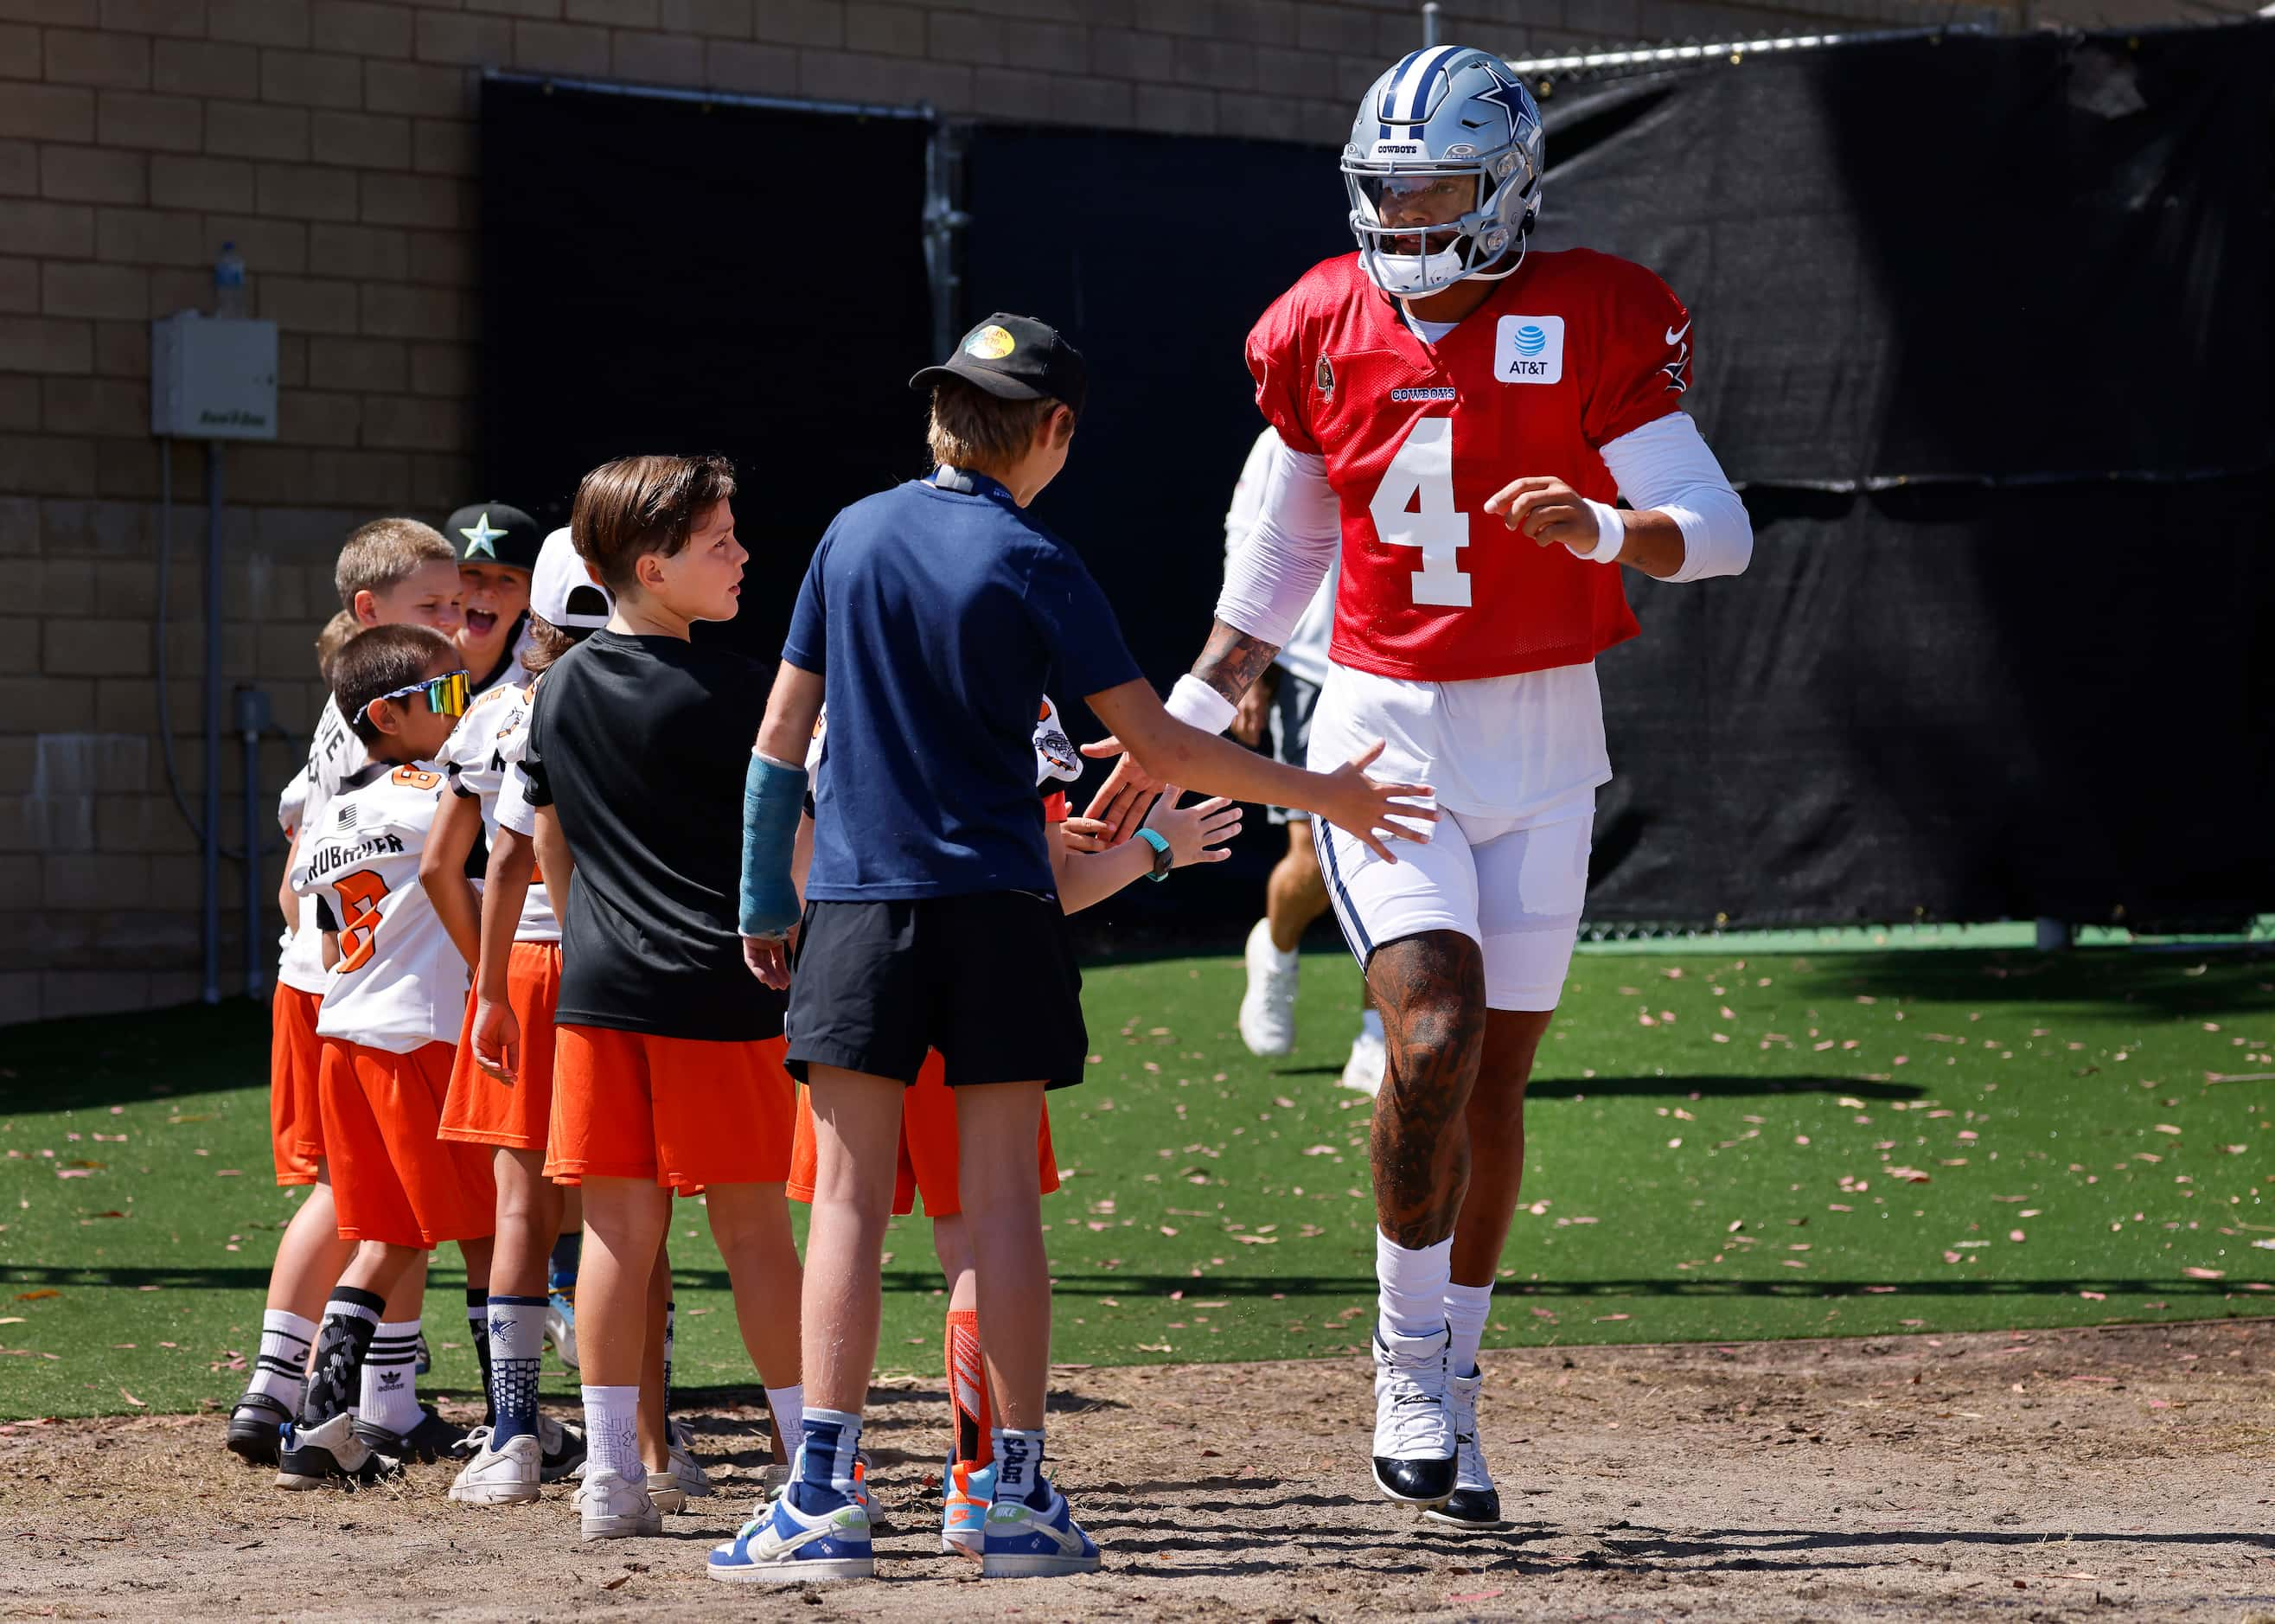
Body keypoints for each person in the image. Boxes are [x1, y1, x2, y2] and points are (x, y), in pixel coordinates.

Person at [1083, 46, 1753, 1530]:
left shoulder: (1595, 309)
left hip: (1543, 737)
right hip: (1382, 737)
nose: (1406, 215)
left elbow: (1718, 531)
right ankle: (1399, 1362)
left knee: (1495, 1081)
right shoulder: (1320, 321)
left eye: (1436, 186)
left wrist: (1604, 525)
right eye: (1385, 189)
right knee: (1431, 1030)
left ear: (1508, 185)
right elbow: (1259, 600)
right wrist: (1170, 730)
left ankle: (1456, 1375)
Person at [721, 312, 1429, 1583]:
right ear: (1052, 431)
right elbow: (1156, 749)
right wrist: (1326, 795)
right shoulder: (1039, 558)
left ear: (941, 414)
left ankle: (818, 1495)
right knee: (995, 1211)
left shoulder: (849, 533)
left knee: (840, 1199)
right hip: (1000, 910)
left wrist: (761, 903)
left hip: (859, 909)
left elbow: (779, 740)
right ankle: (1013, 1498)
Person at [781, 696, 1241, 1559]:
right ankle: (980, 1486)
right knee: (978, 1233)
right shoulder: (1016, 699)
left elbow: (795, 859)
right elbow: (1054, 886)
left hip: (859, 983)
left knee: (847, 1216)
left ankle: (823, 1488)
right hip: (977, 998)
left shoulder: (835, 690)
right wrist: (1155, 850)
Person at [519, 456, 805, 1542]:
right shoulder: (744, 691)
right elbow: (792, 849)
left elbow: (554, 846)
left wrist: (599, 933)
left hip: (599, 992)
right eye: (720, 542)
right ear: (652, 565)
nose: (741, 556)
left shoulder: (556, 689)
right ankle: (809, 1463)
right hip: (720, 994)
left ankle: (609, 1479)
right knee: (754, 1234)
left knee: (615, 1235)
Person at [227, 523, 464, 1466]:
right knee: (380, 1206)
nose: (457, 624)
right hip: (365, 994)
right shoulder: (405, 756)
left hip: (339, 989)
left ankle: (374, 1400)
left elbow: (298, 879)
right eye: (436, 610)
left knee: (379, 1205)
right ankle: (300, 1387)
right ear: (368, 617)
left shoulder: (356, 725)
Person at [278, 624, 495, 1487]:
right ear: (389, 714)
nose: (461, 707)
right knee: (484, 1226)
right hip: (420, 1042)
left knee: (388, 1236)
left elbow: (324, 941)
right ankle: (515, 1423)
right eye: (445, 695)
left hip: (347, 1040)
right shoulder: (439, 796)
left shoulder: (330, 813)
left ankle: (323, 1424)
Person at [428, 527, 611, 1501]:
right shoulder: (668, 687)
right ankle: (642, 1444)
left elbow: (449, 864)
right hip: (634, 967)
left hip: (532, 963)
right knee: (628, 1205)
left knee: (518, 1205)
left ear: (536, 613)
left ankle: (511, 1436)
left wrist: (490, 979)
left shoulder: (505, 709)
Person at [1221, 428, 1384, 1092]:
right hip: (1317, 673)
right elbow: (1251, 542)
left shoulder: (1453, 403)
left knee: (1402, 853)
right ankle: (1278, 947)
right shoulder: (1286, 435)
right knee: (1313, 863)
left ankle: (1380, 1033)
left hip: (1424, 671)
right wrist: (1248, 671)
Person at [445, 502, 544, 700]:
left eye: (507, 579)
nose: (487, 590)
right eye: (472, 573)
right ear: (443, 582)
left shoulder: (546, 663)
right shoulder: (417, 655)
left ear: (530, 596)